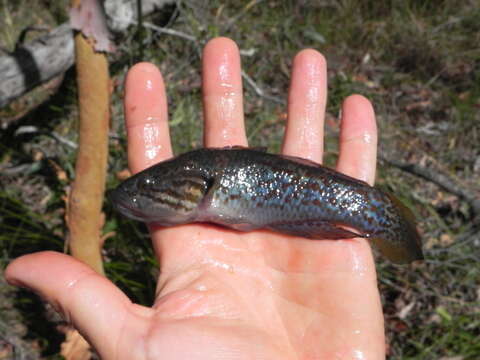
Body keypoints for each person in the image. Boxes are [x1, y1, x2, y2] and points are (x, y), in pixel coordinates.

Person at [5, 37, 385, 359]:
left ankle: (381, 220)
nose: (136, 199)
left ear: (199, 189)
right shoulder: (200, 188)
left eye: (147, 190)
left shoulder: (210, 186)